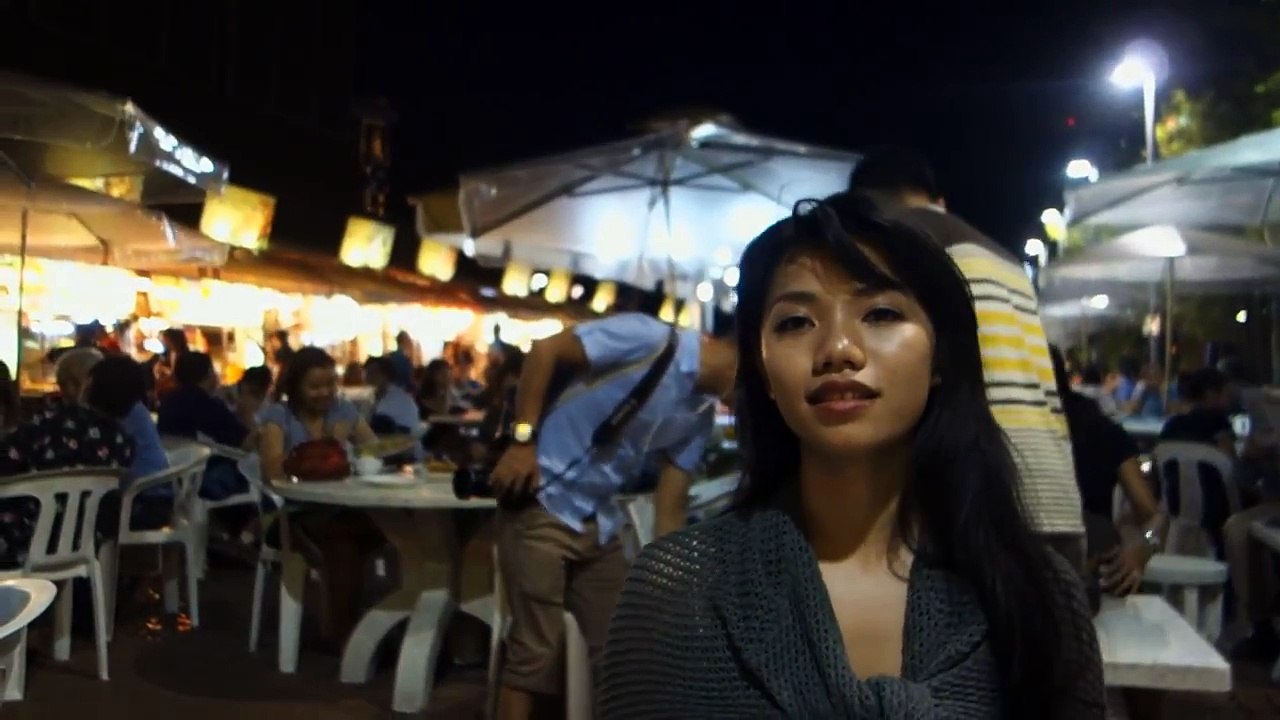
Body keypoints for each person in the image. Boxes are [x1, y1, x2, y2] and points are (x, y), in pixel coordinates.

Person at [598, 193, 1103, 718]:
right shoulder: (679, 591)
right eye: (796, 322)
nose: (838, 348)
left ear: (940, 357)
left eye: (881, 313)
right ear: (762, 369)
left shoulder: (1038, 596)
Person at [487, 310, 737, 719]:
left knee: (628, 654)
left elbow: (670, 509)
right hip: (542, 502)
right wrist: (522, 442)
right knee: (535, 655)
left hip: (599, 525)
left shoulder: (699, 416)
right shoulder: (648, 337)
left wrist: (671, 586)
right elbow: (545, 351)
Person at [848, 147, 1084, 568]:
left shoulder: (903, 241)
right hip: (1054, 491)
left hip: (976, 494)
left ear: (866, 203)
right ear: (937, 199)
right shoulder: (1005, 258)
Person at [1049, 346, 1167, 597]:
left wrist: (1142, 547)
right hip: (1099, 574)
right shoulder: (1100, 427)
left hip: (1085, 576)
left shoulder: (994, 433)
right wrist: (1144, 545)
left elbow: (1153, 519)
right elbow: (1155, 518)